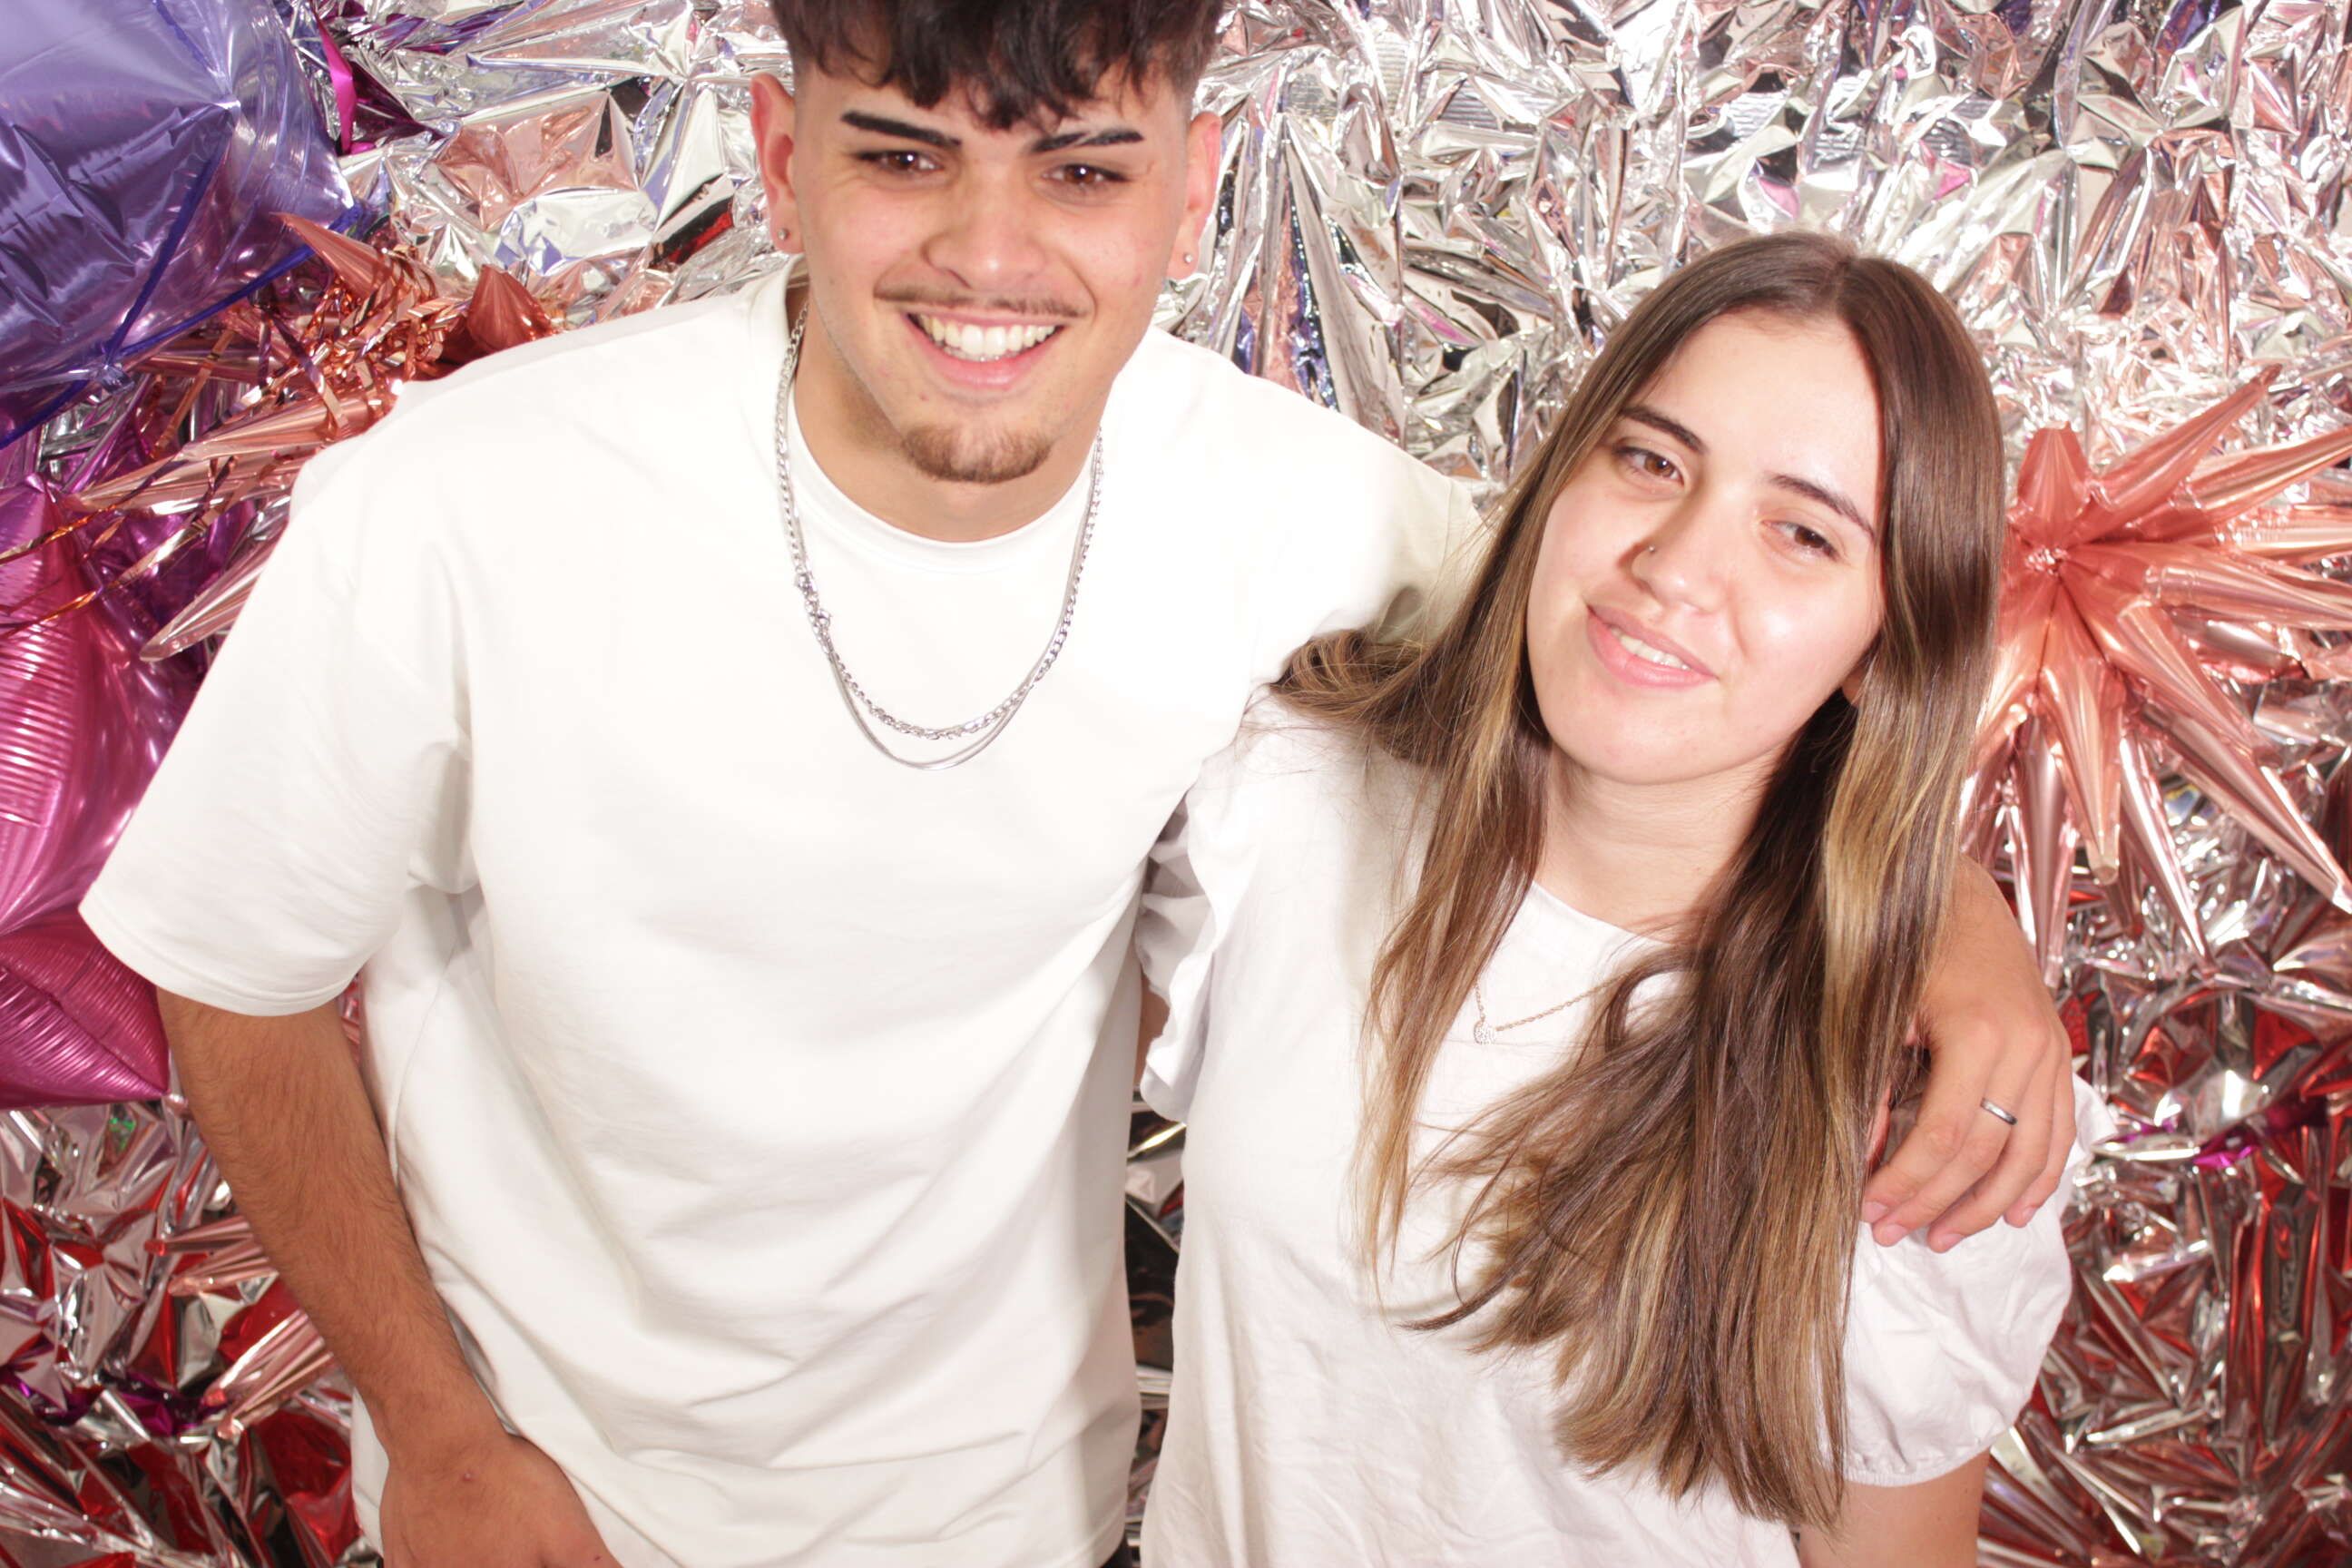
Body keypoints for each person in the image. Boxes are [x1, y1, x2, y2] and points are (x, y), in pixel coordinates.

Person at [80, 5, 2073, 1565]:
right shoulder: (460, 504)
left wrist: (1947, 941)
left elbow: (1693, 680)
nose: (988, 253)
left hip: (1009, 1515)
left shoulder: (1313, 518)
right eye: (901, 154)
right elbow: (234, 967)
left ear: (1192, 194)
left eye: (1083, 170)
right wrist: (437, 1433)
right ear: (777, 154)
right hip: (555, 1499)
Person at [1135, 232, 2103, 1566]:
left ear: (1884, 649)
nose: (1677, 566)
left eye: (1802, 533)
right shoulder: (1287, 800)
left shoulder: (1916, 1106)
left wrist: (1938, 921)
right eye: (1651, 460)